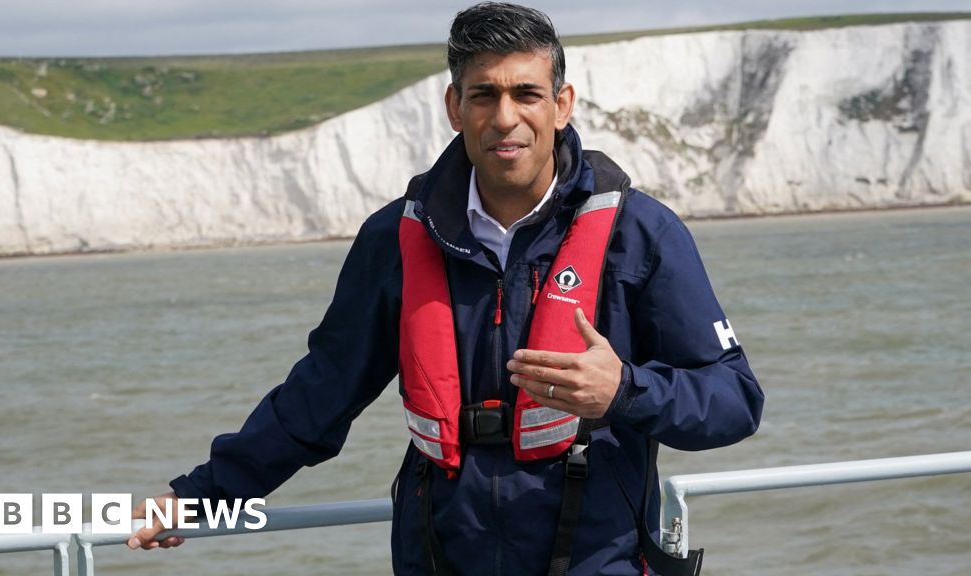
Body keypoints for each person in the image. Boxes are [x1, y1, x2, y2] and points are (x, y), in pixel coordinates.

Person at [128, 3, 764, 575]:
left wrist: (623, 391)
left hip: (596, 561)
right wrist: (199, 499)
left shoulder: (640, 234)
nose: (505, 117)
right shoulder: (396, 239)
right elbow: (319, 395)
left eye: (527, 93)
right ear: (455, 106)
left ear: (562, 104)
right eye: (484, 94)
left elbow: (734, 399)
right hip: (438, 558)